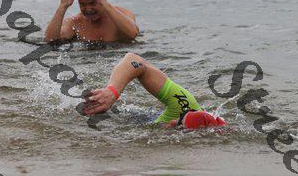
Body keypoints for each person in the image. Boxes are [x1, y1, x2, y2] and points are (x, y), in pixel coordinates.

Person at [83, 52, 226, 129]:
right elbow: (134, 60)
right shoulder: (183, 103)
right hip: (138, 118)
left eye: (178, 127)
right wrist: (112, 91)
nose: (173, 123)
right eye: (178, 121)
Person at [44, 0, 139, 43]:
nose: (88, 9)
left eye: (92, 3)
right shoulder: (76, 23)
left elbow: (133, 34)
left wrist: (106, 4)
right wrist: (62, 7)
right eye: (83, 4)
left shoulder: (122, 14)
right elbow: (51, 40)